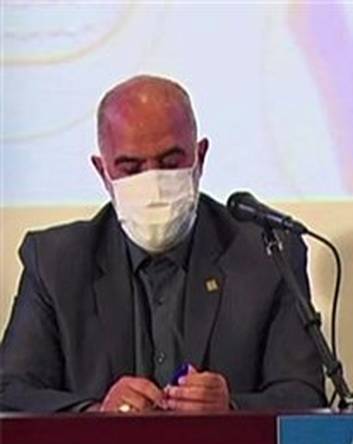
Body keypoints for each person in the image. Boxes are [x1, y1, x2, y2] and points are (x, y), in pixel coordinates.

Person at [0, 75, 325, 413]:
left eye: (170, 164)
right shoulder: (55, 262)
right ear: (102, 171)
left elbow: (304, 394)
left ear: (200, 157)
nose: (153, 183)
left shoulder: (267, 253)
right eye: (131, 169)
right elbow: (11, 390)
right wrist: (95, 413)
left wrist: (230, 408)